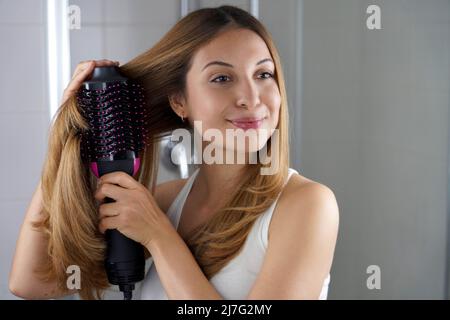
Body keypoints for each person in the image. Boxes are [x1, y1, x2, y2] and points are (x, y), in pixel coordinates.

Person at [9, 5, 339, 300]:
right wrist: (68, 137)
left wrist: (159, 237)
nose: (251, 98)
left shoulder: (307, 206)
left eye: (263, 74)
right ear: (179, 101)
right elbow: (32, 283)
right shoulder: (164, 203)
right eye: (222, 78)